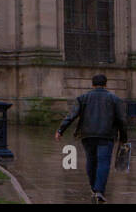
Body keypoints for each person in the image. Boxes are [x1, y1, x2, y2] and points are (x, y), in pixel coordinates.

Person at [55, 73, 129, 202]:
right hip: (106, 135)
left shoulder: (83, 98)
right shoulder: (114, 99)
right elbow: (121, 120)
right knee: (103, 162)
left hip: (87, 135)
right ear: (106, 84)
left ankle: (93, 188)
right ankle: (99, 190)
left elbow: (72, 116)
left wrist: (60, 130)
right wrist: (123, 137)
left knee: (91, 160)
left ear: (92, 84)